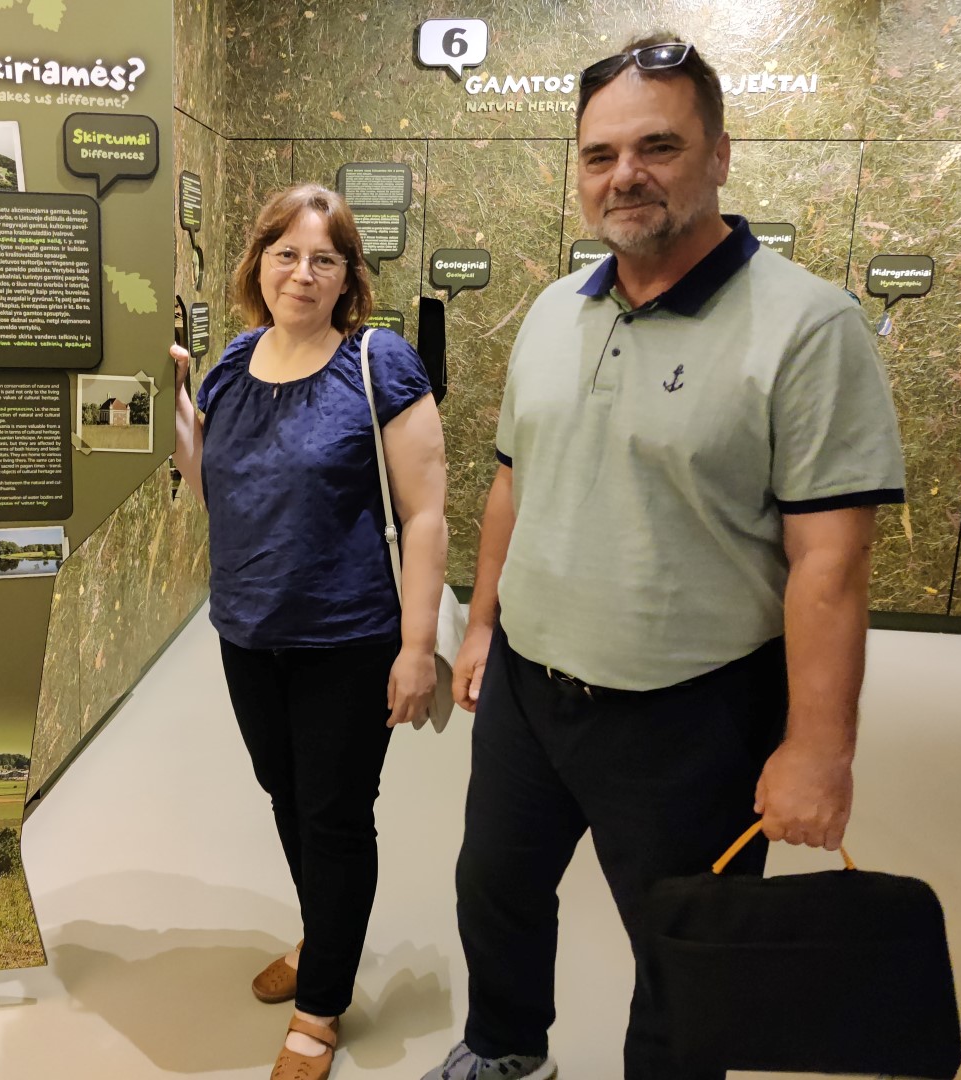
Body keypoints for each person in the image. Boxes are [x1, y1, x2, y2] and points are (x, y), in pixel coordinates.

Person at [421, 34, 906, 1080]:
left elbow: (831, 563)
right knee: (494, 890)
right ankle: (505, 1050)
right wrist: (486, 623)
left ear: (719, 155)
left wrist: (818, 747)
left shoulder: (808, 327)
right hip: (528, 691)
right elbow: (513, 480)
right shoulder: (554, 310)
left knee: (686, 952)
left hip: (693, 715)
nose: (624, 175)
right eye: (599, 155)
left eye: (658, 146)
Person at [170, 183, 448, 1080]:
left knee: (333, 816)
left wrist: (416, 649)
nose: (302, 272)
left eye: (323, 258)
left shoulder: (377, 364)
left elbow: (427, 515)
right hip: (249, 630)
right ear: (259, 264)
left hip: (349, 638)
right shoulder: (232, 361)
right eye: (285, 254)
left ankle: (320, 1006)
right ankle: (325, 935)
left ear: (347, 276)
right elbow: (213, 487)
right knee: (286, 795)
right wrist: (172, 398)